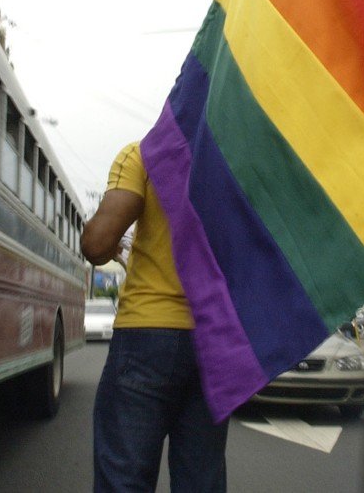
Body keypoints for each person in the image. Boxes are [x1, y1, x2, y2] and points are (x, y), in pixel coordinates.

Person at [81, 141, 228, 492]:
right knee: (201, 480)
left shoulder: (144, 155)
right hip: (212, 340)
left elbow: (97, 245)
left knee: (124, 479)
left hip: (145, 335)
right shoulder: (231, 163)